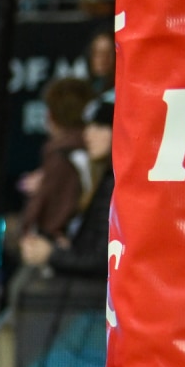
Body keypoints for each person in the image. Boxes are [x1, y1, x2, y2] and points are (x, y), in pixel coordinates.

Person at [21, 93, 114, 276]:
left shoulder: (114, 184)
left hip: (93, 295)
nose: (88, 134)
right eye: (88, 126)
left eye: (100, 126)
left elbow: (104, 260)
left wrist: (53, 254)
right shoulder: (103, 179)